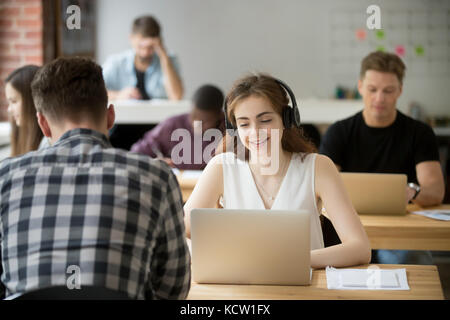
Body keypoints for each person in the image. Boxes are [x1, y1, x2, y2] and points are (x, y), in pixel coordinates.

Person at [0, 57, 190, 300]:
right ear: (110, 117)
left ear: (43, 125)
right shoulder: (157, 177)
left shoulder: (5, 177)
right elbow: (173, 289)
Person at [183, 74, 371, 269]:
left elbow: (359, 248)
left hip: (304, 290)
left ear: (286, 119)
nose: (255, 132)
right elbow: (176, 234)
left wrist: (291, 261)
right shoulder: (221, 168)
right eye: (244, 124)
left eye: (265, 120)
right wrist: (212, 256)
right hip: (240, 288)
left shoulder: (318, 167)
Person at [319, 51, 445, 264]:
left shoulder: (419, 133)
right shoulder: (339, 132)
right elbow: (320, 190)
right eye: (372, 89)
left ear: (400, 91)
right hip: (345, 230)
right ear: (360, 87)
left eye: (388, 91)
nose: (379, 98)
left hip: (399, 233)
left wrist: (412, 191)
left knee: (407, 259)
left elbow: (435, 191)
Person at [131, 84, 225, 170]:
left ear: (220, 116)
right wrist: (153, 162)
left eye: (204, 121)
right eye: (193, 117)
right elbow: (137, 152)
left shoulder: (228, 131)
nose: (195, 124)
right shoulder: (173, 125)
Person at [102, 15, 183, 101]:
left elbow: (176, 96)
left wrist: (164, 57)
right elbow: (92, 92)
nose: (145, 53)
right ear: (131, 38)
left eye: (151, 47)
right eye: (140, 47)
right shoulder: (116, 62)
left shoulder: (169, 60)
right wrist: (118, 95)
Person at [4, 65, 49, 157]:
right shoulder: (21, 137)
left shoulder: (48, 145)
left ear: (32, 101)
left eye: (14, 101)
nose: (9, 109)